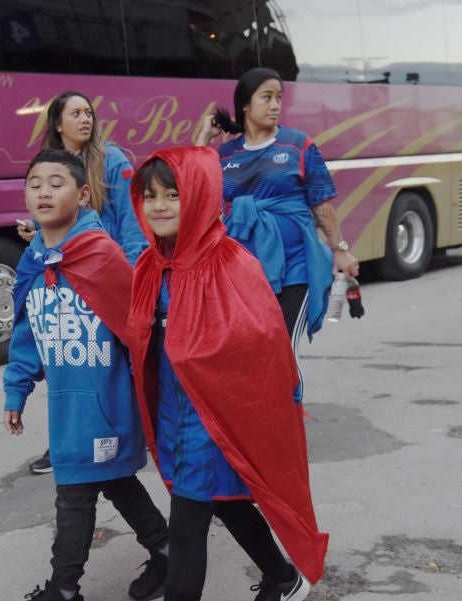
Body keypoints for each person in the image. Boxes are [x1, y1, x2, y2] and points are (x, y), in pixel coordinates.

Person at [125, 146, 328, 601]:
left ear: (198, 195)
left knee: (188, 518)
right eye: (149, 195)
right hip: (174, 412)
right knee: (223, 499)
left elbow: (262, 343)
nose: (158, 206)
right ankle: (282, 577)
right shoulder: (149, 265)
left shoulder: (230, 261)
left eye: (172, 195)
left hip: (215, 415)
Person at [4, 149, 169, 601]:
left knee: (74, 491)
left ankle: (63, 588)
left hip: (105, 403)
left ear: (81, 194)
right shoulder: (33, 263)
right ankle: (167, 549)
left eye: (56, 183)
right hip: (65, 405)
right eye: (35, 183)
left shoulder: (101, 254)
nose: (43, 191)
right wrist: (15, 391)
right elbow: (26, 332)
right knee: (115, 481)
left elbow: (141, 327)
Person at [194, 67, 358, 400]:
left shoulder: (299, 145)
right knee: (248, 348)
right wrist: (201, 142)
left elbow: (321, 203)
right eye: (266, 97)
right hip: (241, 272)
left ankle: (287, 416)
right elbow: (194, 192)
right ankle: (261, 418)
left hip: (295, 267)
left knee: (280, 345)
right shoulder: (225, 155)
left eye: (279, 98)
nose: (275, 105)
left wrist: (340, 249)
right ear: (245, 105)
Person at [18, 90, 147, 474]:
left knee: (116, 361)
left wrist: (135, 271)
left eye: (88, 112)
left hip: (105, 276)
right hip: (65, 280)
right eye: (75, 114)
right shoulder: (48, 166)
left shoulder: (111, 159)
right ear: (57, 124)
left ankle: (129, 434)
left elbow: (131, 219)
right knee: (70, 361)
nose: (85, 119)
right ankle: (70, 444)